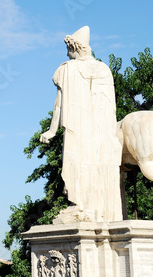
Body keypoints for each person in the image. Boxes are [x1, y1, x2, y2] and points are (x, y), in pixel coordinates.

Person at [40, 26, 122, 222]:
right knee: (96, 167)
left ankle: (81, 206)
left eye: (68, 49)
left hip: (78, 129)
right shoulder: (103, 69)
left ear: (74, 48)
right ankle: (98, 209)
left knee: (76, 165)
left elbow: (59, 105)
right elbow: (111, 108)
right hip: (100, 132)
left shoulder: (66, 69)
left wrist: (52, 131)